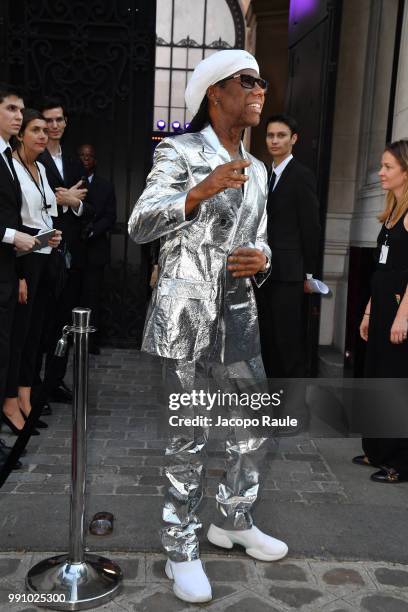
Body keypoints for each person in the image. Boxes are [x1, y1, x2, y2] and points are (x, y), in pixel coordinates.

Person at [129, 50, 288, 604]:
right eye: (247, 81)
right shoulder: (178, 151)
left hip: (240, 315)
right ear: (214, 93)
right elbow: (140, 223)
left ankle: (234, 520)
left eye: (260, 82)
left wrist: (262, 260)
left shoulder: (261, 169)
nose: (258, 90)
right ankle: (180, 548)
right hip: (187, 315)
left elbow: (260, 237)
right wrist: (198, 191)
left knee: (253, 426)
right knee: (188, 437)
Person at [1, 109, 61, 436]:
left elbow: (47, 211)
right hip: (23, 258)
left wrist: (52, 234)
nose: (42, 134)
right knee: (20, 336)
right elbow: (16, 220)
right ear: (21, 135)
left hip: (45, 256)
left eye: (44, 130)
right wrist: (21, 272)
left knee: (36, 334)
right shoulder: (11, 168)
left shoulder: (40, 167)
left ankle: (25, 396)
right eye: (35, 129)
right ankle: (12, 399)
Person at [355, 139, 408, 483]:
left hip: (400, 310)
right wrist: (368, 313)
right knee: (376, 377)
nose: (381, 172)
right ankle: (377, 449)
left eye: (388, 166)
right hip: (382, 308)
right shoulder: (392, 211)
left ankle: (399, 462)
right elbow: (382, 270)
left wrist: (404, 316)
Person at [34, 98, 91, 406]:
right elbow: (35, 202)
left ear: (65, 122)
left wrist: (74, 202)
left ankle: (55, 381)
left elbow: (88, 204)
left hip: (72, 252)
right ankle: (33, 384)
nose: (53, 126)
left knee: (64, 322)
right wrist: (62, 199)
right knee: (40, 322)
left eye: (58, 120)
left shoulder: (72, 161)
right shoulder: (34, 156)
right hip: (43, 248)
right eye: (48, 121)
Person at [256, 114, 320, 377]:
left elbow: (311, 228)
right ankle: (271, 403)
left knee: (288, 343)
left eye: (281, 135)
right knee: (266, 340)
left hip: (290, 275)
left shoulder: (302, 176)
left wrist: (309, 274)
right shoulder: (262, 176)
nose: (274, 140)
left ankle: (293, 408)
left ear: (293, 139)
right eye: (270, 135)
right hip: (262, 273)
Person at [0, 83, 40, 468]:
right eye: (11, 108)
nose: (17, 115)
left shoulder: (6, 159)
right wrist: (17, 237)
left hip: (9, 268)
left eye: (20, 109)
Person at [77, 144, 117, 353]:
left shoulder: (105, 186)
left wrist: (93, 231)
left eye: (89, 156)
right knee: (71, 295)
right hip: (73, 251)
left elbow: (111, 216)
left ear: (95, 160)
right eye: (82, 156)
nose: (85, 159)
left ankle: (91, 343)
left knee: (93, 296)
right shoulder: (70, 182)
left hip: (95, 250)